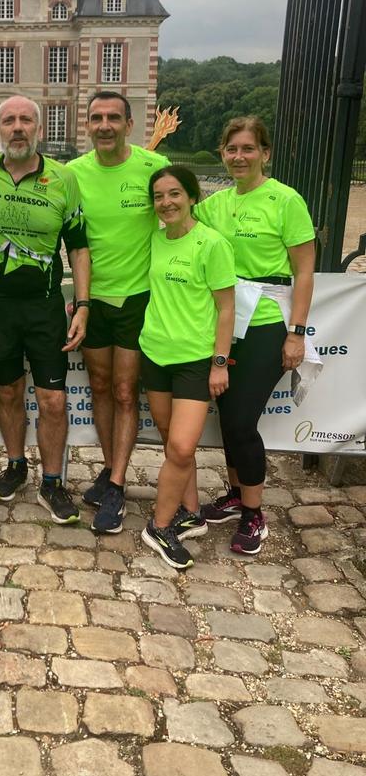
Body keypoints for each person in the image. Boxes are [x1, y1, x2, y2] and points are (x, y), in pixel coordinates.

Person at [0, 95, 90, 524]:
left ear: (39, 128)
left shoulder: (64, 178)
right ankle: (16, 465)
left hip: (44, 308)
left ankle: (52, 482)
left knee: (53, 399)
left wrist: (83, 305)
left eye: (25, 120)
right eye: (9, 121)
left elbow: (79, 247)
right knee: (8, 391)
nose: (17, 127)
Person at [196, 115, 315, 554]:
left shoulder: (286, 200)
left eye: (248, 148)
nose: (239, 156)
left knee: (243, 421)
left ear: (265, 153)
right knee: (228, 416)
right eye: (232, 149)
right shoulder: (215, 204)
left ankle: (254, 514)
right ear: (223, 154)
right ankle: (235, 494)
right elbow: (172, 212)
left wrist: (296, 333)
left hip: (266, 320)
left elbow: (305, 272)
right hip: (227, 321)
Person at [68, 91, 168, 533]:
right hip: (91, 300)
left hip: (136, 298)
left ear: (129, 125)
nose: (104, 125)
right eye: (96, 118)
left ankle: (117, 484)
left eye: (113, 117)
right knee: (100, 386)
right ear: (87, 125)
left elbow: (185, 216)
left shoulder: (152, 166)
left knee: (126, 392)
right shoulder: (73, 173)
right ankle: (111, 469)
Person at [137, 166, 236, 569]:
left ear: (192, 197)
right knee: (169, 440)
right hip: (154, 353)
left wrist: (219, 363)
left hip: (195, 360)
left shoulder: (212, 244)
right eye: (159, 196)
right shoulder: (155, 240)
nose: (166, 203)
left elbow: (226, 309)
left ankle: (159, 526)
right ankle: (191, 511)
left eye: (175, 193)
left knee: (181, 447)